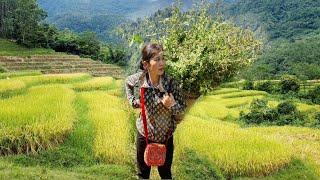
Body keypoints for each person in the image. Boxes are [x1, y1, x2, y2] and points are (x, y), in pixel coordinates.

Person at [125, 43, 187, 179]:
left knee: (165, 175)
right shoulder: (140, 79)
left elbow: (182, 113)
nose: (162, 63)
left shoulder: (170, 83)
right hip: (144, 135)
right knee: (142, 174)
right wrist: (134, 102)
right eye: (157, 59)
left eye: (163, 58)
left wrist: (171, 105)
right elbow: (128, 82)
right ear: (146, 64)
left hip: (165, 137)